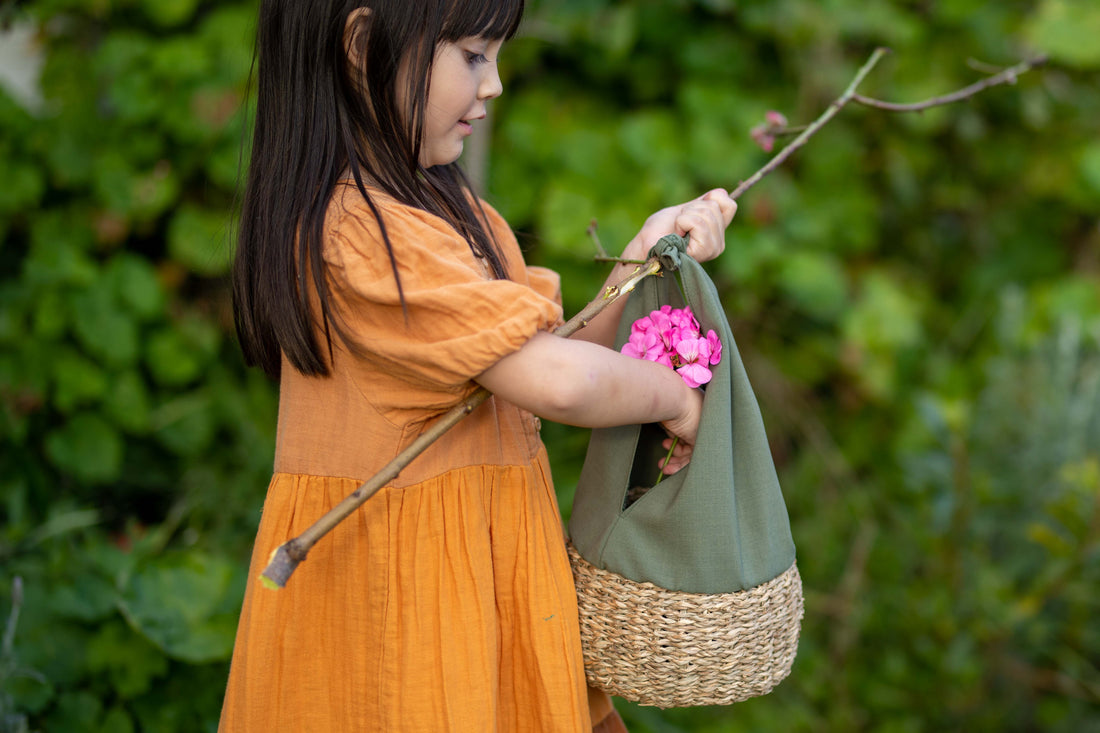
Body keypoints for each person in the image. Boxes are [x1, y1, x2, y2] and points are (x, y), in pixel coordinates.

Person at [219, 1, 737, 731]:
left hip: (484, 597)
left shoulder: (451, 215)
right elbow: (556, 382)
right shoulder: (360, 237)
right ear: (364, 44)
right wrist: (673, 398)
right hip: (406, 626)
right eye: (472, 55)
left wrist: (642, 257)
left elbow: (546, 363)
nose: (494, 84)